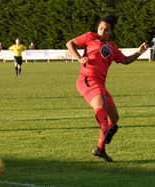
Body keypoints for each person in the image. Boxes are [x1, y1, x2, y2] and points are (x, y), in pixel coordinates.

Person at [66, 14, 148, 162]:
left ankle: (100, 149)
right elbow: (69, 43)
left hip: (100, 84)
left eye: (106, 29)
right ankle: (105, 129)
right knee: (100, 106)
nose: (102, 31)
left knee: (114, 118)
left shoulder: (112, 47)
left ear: (111, 32)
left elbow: (125, 60)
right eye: (101, 28)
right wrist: (79, 58)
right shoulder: (90, 37)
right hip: (87, 79)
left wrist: (139, 52)